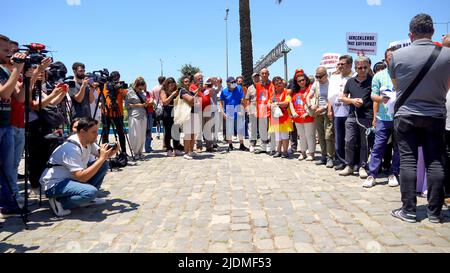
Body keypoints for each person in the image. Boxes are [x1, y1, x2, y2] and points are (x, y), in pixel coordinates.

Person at [389, 14, 450, 223]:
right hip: (435, 115)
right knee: (435, 162)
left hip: (406, 114)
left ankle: (408, 210)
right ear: (432, 32)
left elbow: (397, 86)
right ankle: (435, 213)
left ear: (410, 33)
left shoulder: (397, 55)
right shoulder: (447, 55)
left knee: (408, 161)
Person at [40, 117, 118, 217]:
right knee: (90, 192)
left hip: (69, 179)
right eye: (93, 132)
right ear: (82, 132)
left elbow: (102, 155)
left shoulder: (87, 142)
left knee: (103, 164)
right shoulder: (71, 149)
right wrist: (102, 158)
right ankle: (59, 202)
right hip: (54, 184)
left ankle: (86, 198)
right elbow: (81, 177)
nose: (97, 134)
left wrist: (113, 151)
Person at [364, 47, 400, 188]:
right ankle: (372, 174)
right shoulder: (379, 76)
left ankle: (393, 173)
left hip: (399, 117)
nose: (393, 59)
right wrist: (381, 99)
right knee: (378, 146)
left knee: (398, 147)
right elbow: (373, 96)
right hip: (383, 118)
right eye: (390, 57)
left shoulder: (405, 74)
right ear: (386, 59)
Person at [0, 34, 27, 216]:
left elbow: (20, 97)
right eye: (6, 50)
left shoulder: (7, 71)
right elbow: (4, 94)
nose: (11, 54)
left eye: (11, 50)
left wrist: (28, 76)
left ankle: (9, 205)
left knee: (8, 168)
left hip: (6, 124)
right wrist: (17, 70)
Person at [339, 56, 374, 179]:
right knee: (349, 141)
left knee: (365, 144)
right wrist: (352, 101)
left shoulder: (373, 80)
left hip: (367, 116)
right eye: (359, 67)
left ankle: (362, 167)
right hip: (352, 116)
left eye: (365, 67)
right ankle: (349, 165)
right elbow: (343, 98)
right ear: (355, 68)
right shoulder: (350, 81)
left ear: (368, 66)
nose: (362, 70)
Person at [328, 55, 353, 171]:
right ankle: (342, 161)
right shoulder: (334, 78)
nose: (340, 66)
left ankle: (352, 162)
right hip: (337, 112)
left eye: (342, 64)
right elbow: (330, 96)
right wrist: (330, 108)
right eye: (339, 64)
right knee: (339, 139)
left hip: (350, 113)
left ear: (349, 65)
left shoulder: (354, 77)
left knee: (350, 140)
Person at [308, 66, 335, 168]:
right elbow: (308, 96)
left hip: (328, 112)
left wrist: (323, 108)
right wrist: (310, 105)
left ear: (326, 75)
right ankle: (324, 156)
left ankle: (330, 157)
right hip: (317, 113)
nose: (318, 79)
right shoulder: (316, 84)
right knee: (321, 135)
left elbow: (332, 98)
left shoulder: (331, 84)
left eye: (320, 76)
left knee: (328, 135)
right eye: (316, 76)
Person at [100, 71, 127, 156]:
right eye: (115, 78)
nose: (116, 80)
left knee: (121, 133)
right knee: (105, 133)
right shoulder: (104, 86)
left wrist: (120, 88)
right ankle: (104, 152)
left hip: (118, 112)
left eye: (118, 78)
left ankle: (124, 152)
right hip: (106, 112)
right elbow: (100, 97)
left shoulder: (119, 86)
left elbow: (125, 96)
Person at [291, 72, 315, 161]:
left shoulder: (310, 89)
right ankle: (303, 152)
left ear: (306, 80)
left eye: (303, 80)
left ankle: (311, 153)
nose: (301, 82)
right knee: (301, 136)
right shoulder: (295, 91)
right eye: (299, 81)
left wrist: (307, 113)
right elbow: (291, 102)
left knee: (310, 135)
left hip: (308, 117)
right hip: (298, 118)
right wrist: (293, 112)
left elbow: (313, 102)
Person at [220, 76, 249, 152]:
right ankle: (230, 145)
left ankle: (241, 145)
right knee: (229, 129)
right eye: (232, 82)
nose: (234, 83)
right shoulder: (224, 91)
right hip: (229, 110)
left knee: (240, 129)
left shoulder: (239, 88)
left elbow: (242, 99)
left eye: (234, 82)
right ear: (228, 83)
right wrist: (223, 113)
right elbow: (221, 103)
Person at [268, 76, 293, 158]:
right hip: (275, 118)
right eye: (276, 84)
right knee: (277, 136)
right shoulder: (273, 94)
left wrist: (277, 103)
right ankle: (278, 151)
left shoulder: (286, 92)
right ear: (274, 85)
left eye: (280, 82)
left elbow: (287, 103)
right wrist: (270, 105)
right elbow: (268, 104)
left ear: (283, 83)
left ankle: (285, 151)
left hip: (284, 117)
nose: (279, 85)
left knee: (284, 135)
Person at [125, 77, 148, 160]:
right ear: (136, 85)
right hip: (134, 115)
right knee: (135, 135)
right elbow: (127, 105)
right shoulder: (130, 92)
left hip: (143, 115)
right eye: (139, 88)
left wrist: (146, 103)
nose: (140, 90)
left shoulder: (142, 93)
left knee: (142, 135)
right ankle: (135, 152)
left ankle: (140, 152)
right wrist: (138, 105)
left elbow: (145, 101)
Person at [160, 77, 183, 157]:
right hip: (167, 112)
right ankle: (169, 149)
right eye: (170, 84)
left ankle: (176, 148)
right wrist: (172, 94)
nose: (172, 85)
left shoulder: (176, 91)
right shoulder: (163, 91)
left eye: (173, 84)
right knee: (168, 132)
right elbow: (165, 102)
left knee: (176, 131)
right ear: (166, 84)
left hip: (175, 112)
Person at [180, 76, 201, 159]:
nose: (187, 83)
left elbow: (194, 99)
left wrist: (198, 89)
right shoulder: (182, 91)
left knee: (193, 134)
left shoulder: (190, 91)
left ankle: (191, 151)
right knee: (188, 134)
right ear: (183, 83)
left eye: (188, 81)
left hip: (194, 113)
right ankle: (186, 152)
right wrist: (194, 98)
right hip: (187, 114)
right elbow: (191, 100)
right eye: (185, 81)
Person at [254, 68, 274, 154]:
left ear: (268, 74)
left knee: (270, 129)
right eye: (262, 73)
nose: (264, 75)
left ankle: (270, 147)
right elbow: (257, 98)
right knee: (261, 129)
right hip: (260, 109)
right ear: (260, 75)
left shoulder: (272, 85)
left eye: (266, 73)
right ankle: (263, 147)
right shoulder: (257, 85)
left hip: (269, 109)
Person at [147, 76, 165, 151]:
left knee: (157, 122)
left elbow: (153, 98)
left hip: (157, 107)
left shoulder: (154, 88)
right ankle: (164, 134)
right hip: (163, 105)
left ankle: (157, 134)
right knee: (164, 122)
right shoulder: (164, 88)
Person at [246, 73, 260, 153]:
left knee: (263, 126)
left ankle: (264, 143)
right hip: (252, 107)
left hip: (262, 108)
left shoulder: (262, 86)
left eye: (257, 77)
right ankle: (252, 144)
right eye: (255, 77)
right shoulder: (250, 88)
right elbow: (247, 99)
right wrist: (248, 109)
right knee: (252, 127)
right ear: (252, 79)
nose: (256, 79)